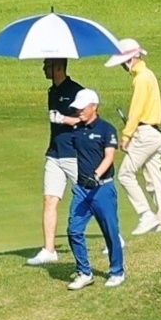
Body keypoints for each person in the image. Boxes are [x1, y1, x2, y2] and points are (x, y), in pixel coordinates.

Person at [60, 90, 126, 288]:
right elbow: (68, 125)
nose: (78, 111)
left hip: (102, 189)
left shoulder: (107, 129)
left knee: (110, 231)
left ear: (93, 107)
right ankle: (84, 272)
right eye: (77, 108)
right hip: (81, 189)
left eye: (82, 108)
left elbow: (109, 157)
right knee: (74, 230)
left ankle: (117, 271)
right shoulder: (77, 129)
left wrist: (96, 175)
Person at [112, 38, 161, 233]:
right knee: (155, 178)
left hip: (145, 134)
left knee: (125, 174)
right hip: (156, 134)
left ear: (128, 60)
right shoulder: (149, 74)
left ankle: (146, 215)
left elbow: (136, 110)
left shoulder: (140, 79)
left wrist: (126, 135)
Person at [31, 58, 84, 263]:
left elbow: (86, 119)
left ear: (59, 67)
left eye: (47, 66)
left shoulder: (76, 91)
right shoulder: (52, 91)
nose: (44, 69)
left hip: (73, 154)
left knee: (91, 197)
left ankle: (113, 239)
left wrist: (63, 119)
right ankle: (49, 250)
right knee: (50, 199)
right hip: (54, 153)